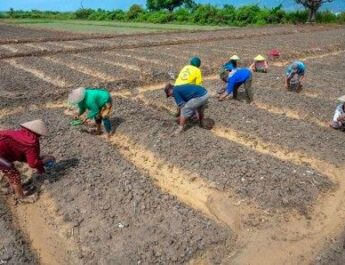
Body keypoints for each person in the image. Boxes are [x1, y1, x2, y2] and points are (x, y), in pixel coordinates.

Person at [0, 120, 55, 203]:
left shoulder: (19, 135)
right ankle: (21, 197)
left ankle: (15, 189)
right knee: (13, 173)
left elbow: (21, 153)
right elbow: (33, 164)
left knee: (9, 170)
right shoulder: (30, 143)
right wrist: (46, 160)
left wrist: (38, 158)